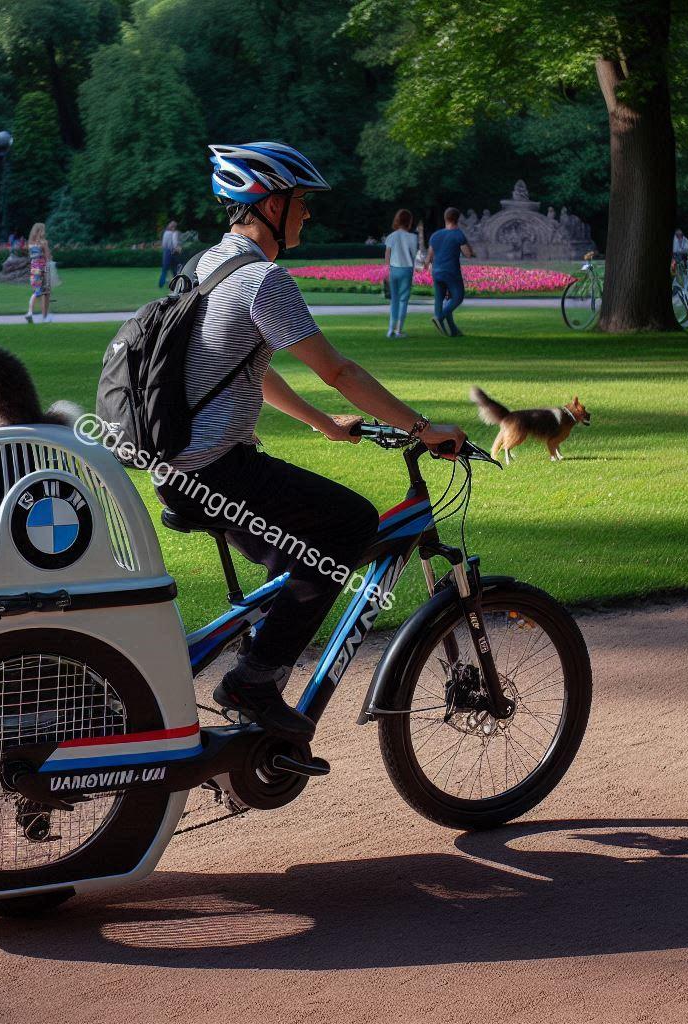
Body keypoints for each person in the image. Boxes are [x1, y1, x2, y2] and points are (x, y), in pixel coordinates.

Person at [153, 141, 466, 741]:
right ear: (268, 203)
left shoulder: (206, 266)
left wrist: (323, 425)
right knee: (348, 525)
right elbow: (338, 371)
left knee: (308, 559)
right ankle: (254, 681)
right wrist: (424, 430)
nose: (307, 214)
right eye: (300, 201)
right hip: (218, 470)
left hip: (183, 470)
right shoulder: (262, 280)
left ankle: (256, 687)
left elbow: (248, 367)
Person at [427, 207, 474, 337]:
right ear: (457, 219)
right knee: (457, 297)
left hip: (437, 271)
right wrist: (470, 250)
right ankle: (439, 317)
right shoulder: (458, 234)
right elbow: (468, 254)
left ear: (445, 218)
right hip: (451, 271)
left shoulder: (435, 235)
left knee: (440, 298)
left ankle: (453, 330)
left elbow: (429, 256)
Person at [383, 209, 418, 338]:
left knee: (394, 300)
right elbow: (414, 255)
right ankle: (398, 330)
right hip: (406, 269)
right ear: (409, 221)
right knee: (403, 301)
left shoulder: (391, 236)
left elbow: (387, 255)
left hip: (393, 269)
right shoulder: (413, 238)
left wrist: (386, 271)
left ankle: (390, 329)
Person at [24, 223, 52, 323]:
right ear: (40, 231)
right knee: (45, 292)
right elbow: (48, 257)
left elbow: (32, 256)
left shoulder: (30, 244)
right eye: (43, 230)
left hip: (34, 269)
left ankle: (30, 312)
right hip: (43, 269)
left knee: (37, 292)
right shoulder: (43, 243)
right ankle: (45, 317)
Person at [159, 219, 182, 287]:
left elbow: (163, 244)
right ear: (174, 227)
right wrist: (178, 248)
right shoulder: (174, 233)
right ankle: (175, 283)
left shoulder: (165, 233)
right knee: (174, 269)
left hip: (166, 251)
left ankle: (161, 284)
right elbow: (175, 244)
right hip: (173, 252)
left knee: (165, 269)